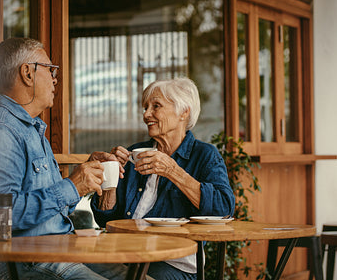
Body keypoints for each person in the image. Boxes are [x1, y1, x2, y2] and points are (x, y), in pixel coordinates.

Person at [0, 37, 128, 280]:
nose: (55, 78)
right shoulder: (0, 131)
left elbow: (51, 208)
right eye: (50, 69)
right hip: (23, 262)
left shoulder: (31, 128)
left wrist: (81, 180)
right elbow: (0, 216)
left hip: (57, 250)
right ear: (27, 73)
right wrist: (72, 186)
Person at [91, 77, 235, 280]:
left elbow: (224, 209)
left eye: (155, 106)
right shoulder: (135, 153)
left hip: (174, 264)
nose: (146, 114)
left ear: (183, 112)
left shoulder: (204, 155)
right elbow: (106, 221)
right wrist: (111, 179)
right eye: (145, 107)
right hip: (127, 255)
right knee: (74, 269)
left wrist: (173, 171)